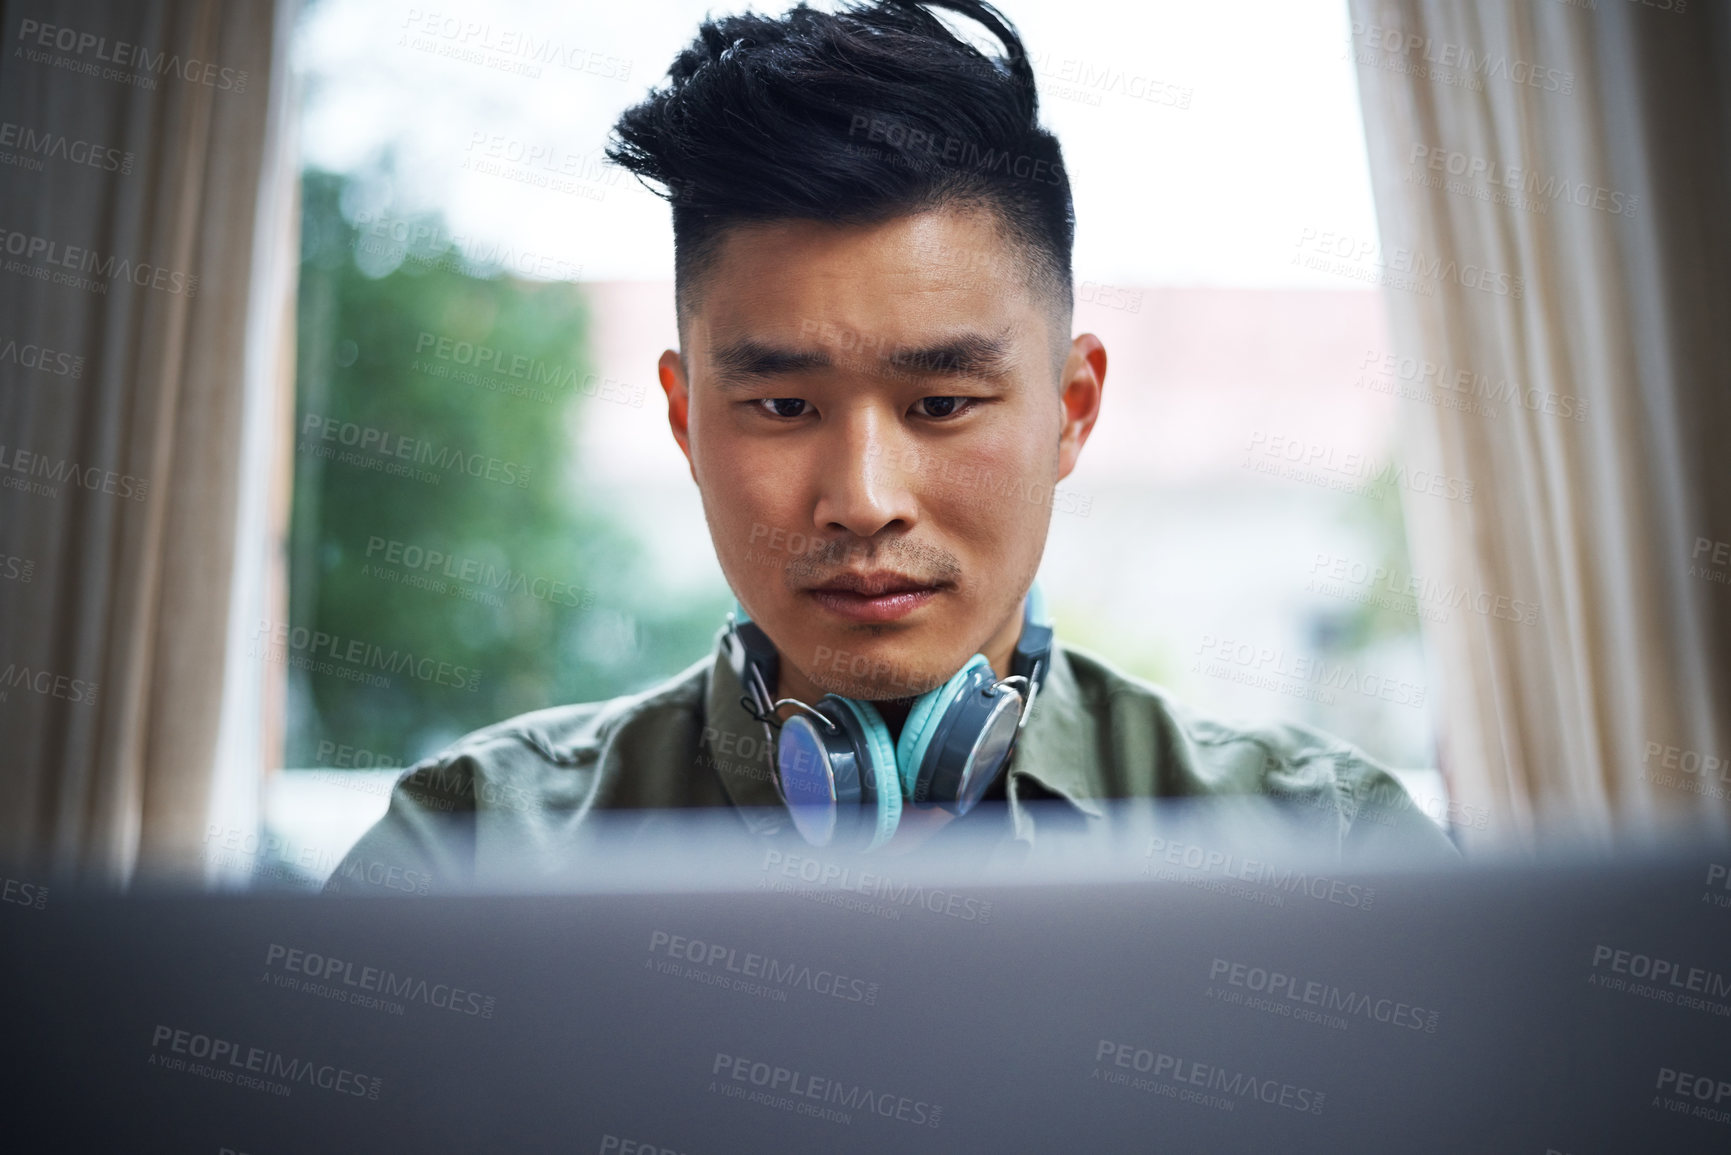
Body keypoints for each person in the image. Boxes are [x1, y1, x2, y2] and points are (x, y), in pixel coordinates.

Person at [325, 0, 1454, 894]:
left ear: (1072, 408)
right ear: (683, 421)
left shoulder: (1333, 853)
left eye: (943, 403)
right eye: (782, 408)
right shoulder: (469, 851)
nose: (862, 502)